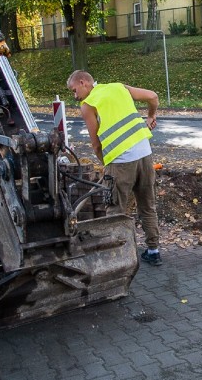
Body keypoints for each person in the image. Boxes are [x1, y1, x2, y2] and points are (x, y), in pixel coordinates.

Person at [67, 70, 163, 266]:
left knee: (115, 210)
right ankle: (154, 251)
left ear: (84, 83)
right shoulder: (119, 88)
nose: (75, 96)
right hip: (145, 154)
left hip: (120, 162)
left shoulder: (88, 106)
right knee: (147, 206)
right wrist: (151, 117)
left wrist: (106, 165)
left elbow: (95, 144)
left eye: (74, 90)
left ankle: (119, 257)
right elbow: (153, 96)